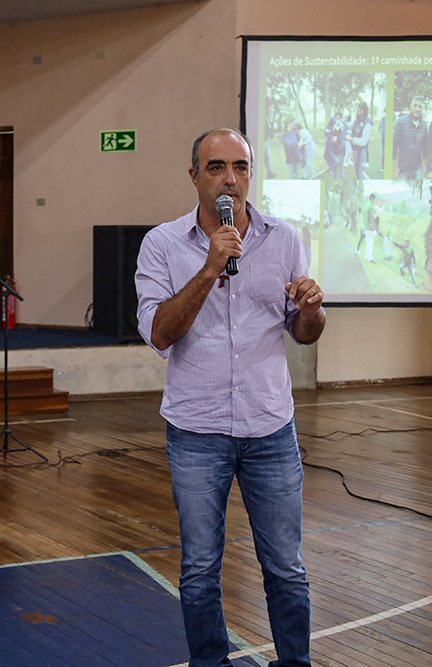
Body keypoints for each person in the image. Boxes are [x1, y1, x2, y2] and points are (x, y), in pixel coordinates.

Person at [135, 128, 325, 667]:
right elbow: (159, 332)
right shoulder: (162, 244)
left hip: (270, 428)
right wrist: (210, 268)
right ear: (194, 176)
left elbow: (303, 332)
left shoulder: (283, 239)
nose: (230, 179)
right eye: (216, 167)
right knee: (199, 570)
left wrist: (312, 310)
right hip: (197, 431)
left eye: (240, 167)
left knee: (286, 568)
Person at [392, 96, 427, 180]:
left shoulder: (424, 125)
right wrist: (394, 170)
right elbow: (394, 146)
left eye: (419, 107)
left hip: (418, 169)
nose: (417, 109)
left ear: (422, 109)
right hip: (403, 170)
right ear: (410, 107)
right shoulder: (401, 122)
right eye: (415, 106)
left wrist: (425, 168)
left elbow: (425, 148)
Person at [348, 101, 372, 180]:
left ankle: (361, 180)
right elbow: (350, 126)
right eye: (358, 111)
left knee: (359, 171)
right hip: (355, 149)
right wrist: (343, 123)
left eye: (360, 111)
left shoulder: (367, 124)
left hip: (360, 150)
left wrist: (352, 139)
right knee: (357, 170)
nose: (358, 113)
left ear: (364, 111)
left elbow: (363, 141)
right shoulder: (357, 120)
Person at [324, 111, 346, 180]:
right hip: (334, 151)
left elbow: (344, 138)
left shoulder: (343, 127)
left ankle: (341, 181)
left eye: (338, 118)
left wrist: (338, 138)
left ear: (341, 118)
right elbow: (330, 134)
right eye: (336, 119)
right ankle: (335, 180)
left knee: (339, 169)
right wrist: (326, 133)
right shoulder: (334, 127)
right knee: (334, 170)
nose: (337, 120)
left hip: (340, 151)